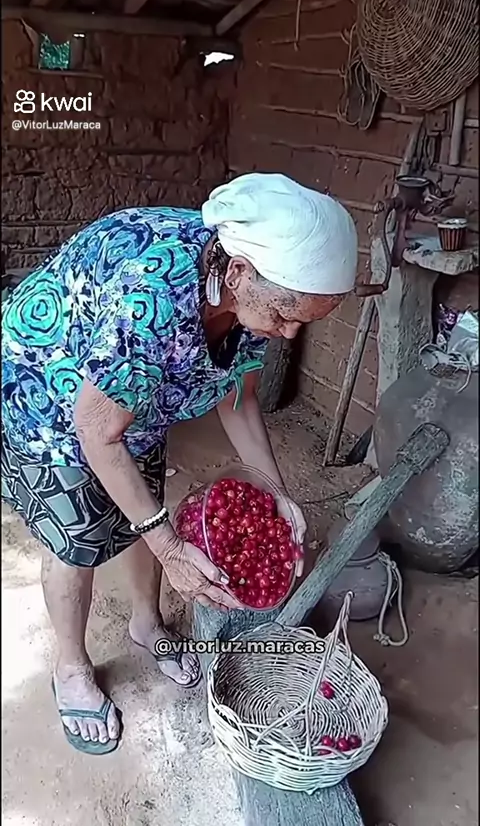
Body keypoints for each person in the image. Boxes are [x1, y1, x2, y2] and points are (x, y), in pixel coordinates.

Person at [1, 172, 358, 755]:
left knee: (143, 503)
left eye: (303, 320)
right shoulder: (151, 301)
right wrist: (169, 549)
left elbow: (237, 395)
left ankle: (147, 623)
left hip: (124, 395)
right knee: (75, 535)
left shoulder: (251, 294)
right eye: (285, 314)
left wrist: (277, 491)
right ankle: (70, 666)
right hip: (48, 384)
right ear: (238, 272)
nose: (290, 332)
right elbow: (96, 431)